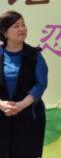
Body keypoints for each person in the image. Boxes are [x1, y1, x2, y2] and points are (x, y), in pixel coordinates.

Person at [0, 11, 48, 158]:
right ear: (4, 32)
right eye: (16, 26)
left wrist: (20, 105)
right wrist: (1, 104)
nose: (22, 29)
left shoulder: (34, 55)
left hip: (28, 117)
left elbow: (41, 85)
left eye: (23, 25)